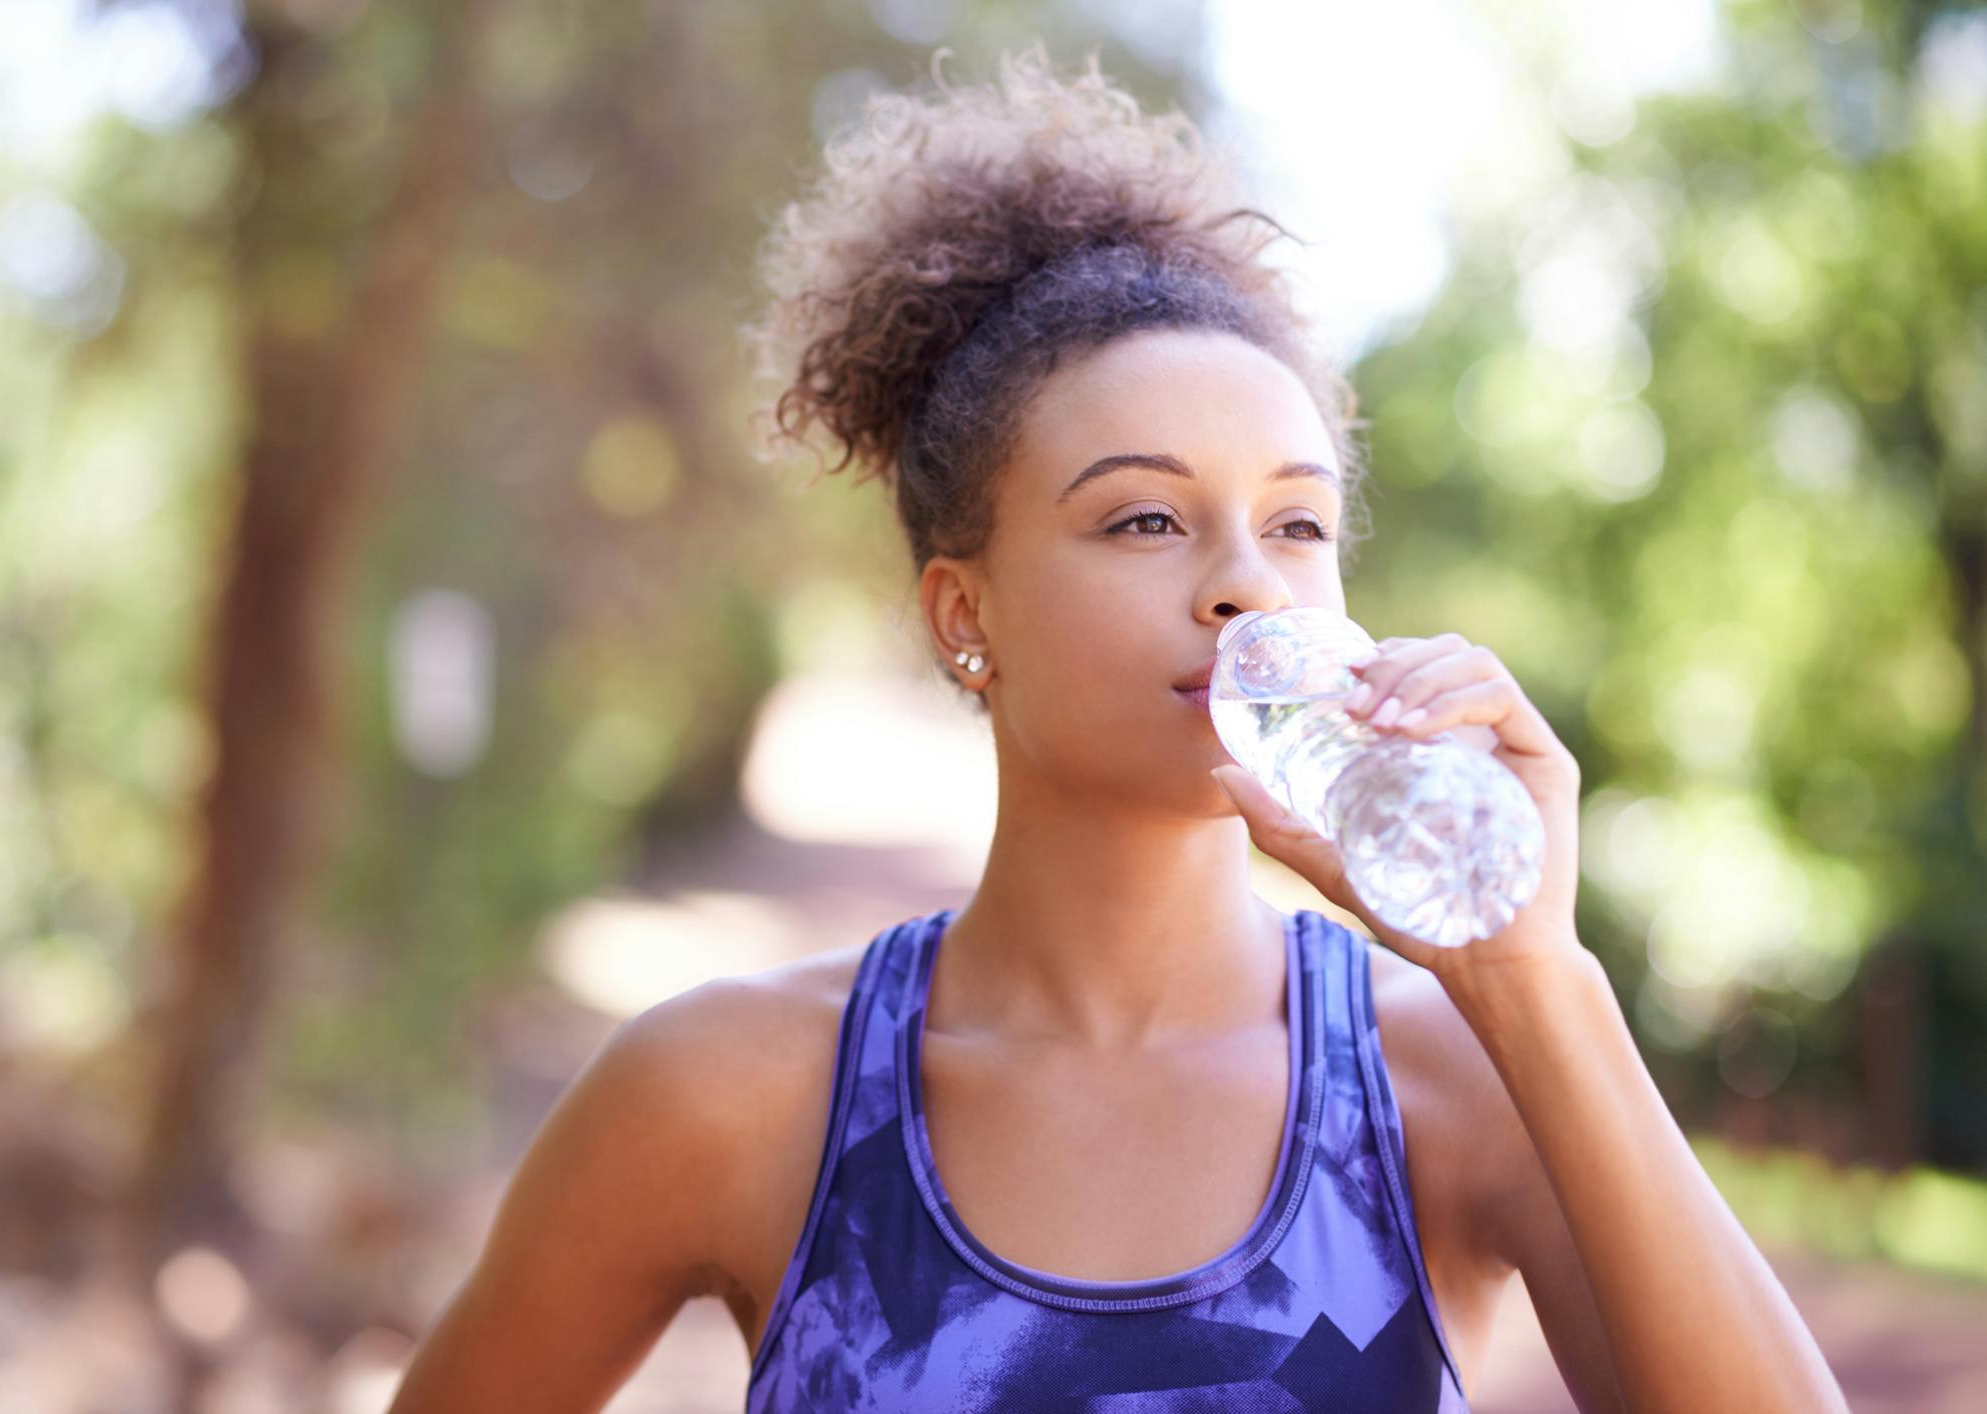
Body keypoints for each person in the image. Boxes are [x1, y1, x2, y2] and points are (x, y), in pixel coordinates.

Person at [389, 42, 1847, 1413]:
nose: (1243, 586)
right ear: (965, 614)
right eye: (1144, 517)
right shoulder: (721, 1091)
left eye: (1296, 522)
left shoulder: (1457, 1078)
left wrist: (1536, 975)